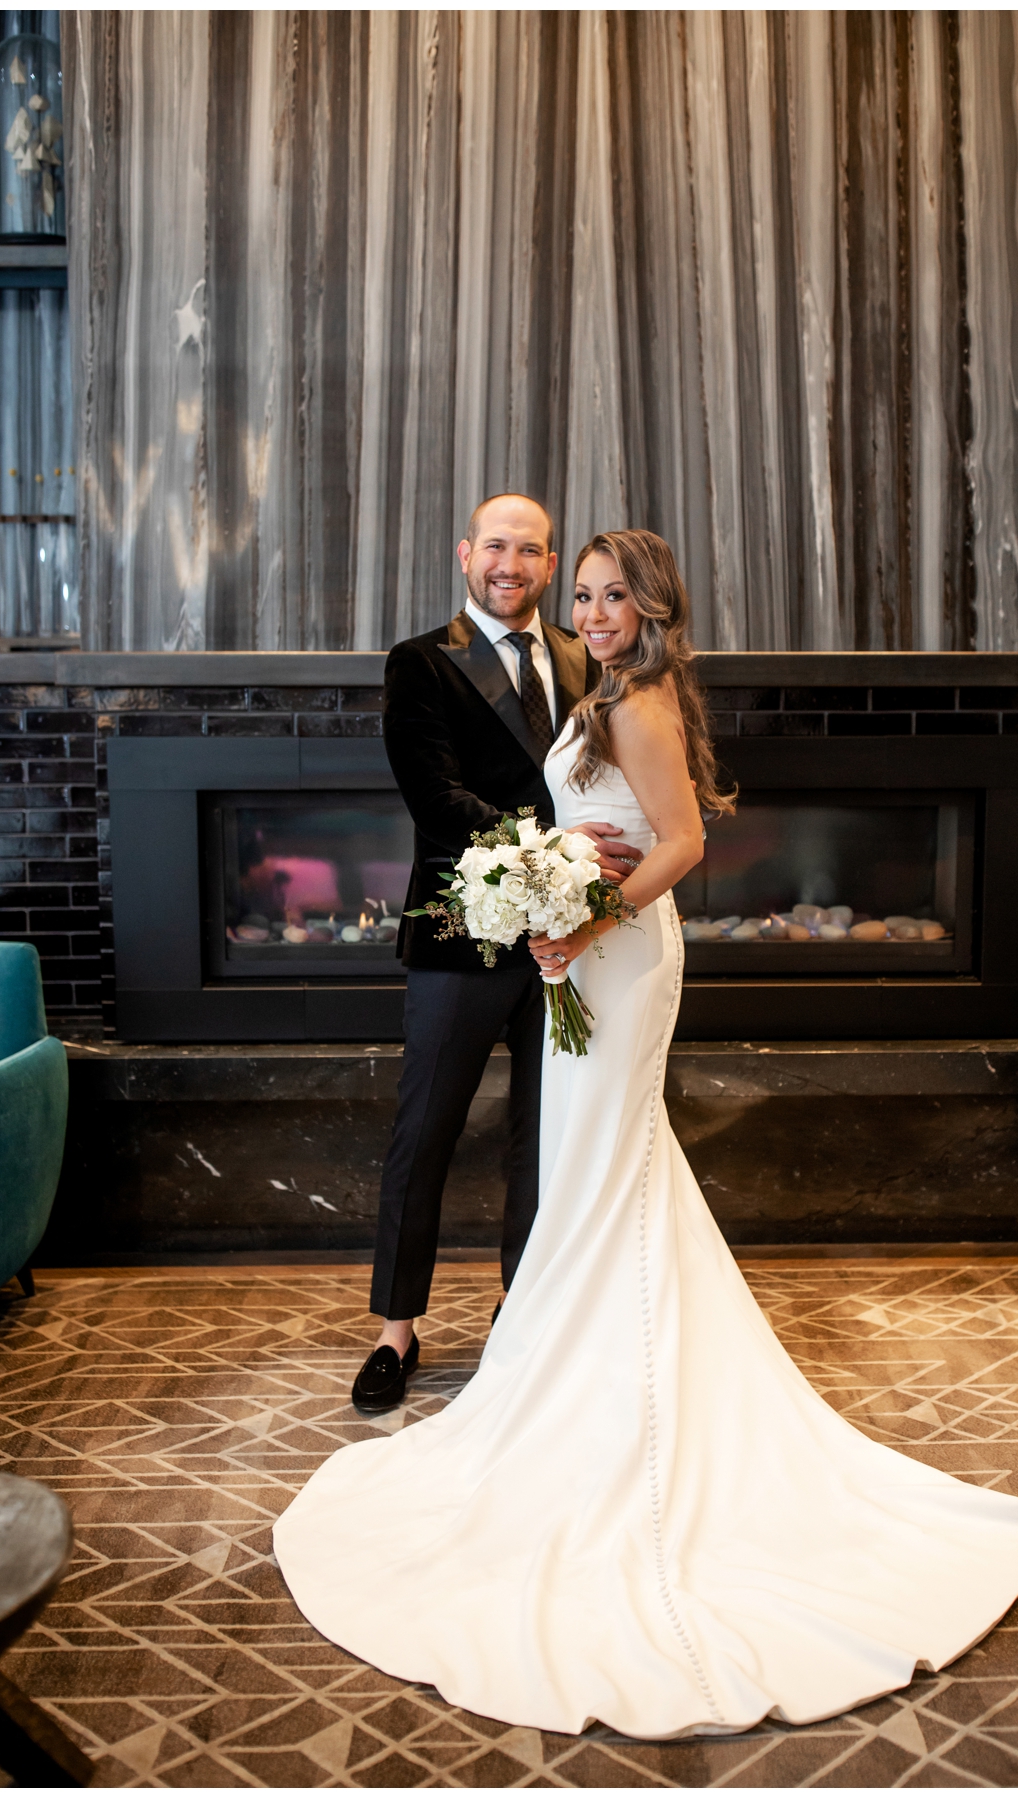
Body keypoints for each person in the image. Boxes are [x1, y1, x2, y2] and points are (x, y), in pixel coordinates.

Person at [275, 530, 1018, 1738]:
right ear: (482, 561)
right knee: (589, 1167)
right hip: (578, 941)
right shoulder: (584, 681)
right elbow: (529, 803)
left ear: (651, 604)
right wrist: (556, 880)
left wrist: (580, 923)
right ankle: (535, 1356)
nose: (592, 608)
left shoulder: (633, 692)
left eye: (609, 592)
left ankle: (610, 1391)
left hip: (613, 958)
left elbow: (682, 843)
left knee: (596, 1165)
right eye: (583, 592)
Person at [354, 493, 640, 1412]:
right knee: (424, 1132)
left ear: (551, 565)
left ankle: (522, 1312)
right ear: (465, 553)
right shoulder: (421, 663)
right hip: (459, 934)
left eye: (530, 550)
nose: (510, 563)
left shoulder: (582, 655)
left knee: (541, 1142)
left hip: (568, 941)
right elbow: (435, 799)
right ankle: (396, 1330)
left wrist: (600, 865)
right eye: (496, 547)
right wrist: (561, 846)